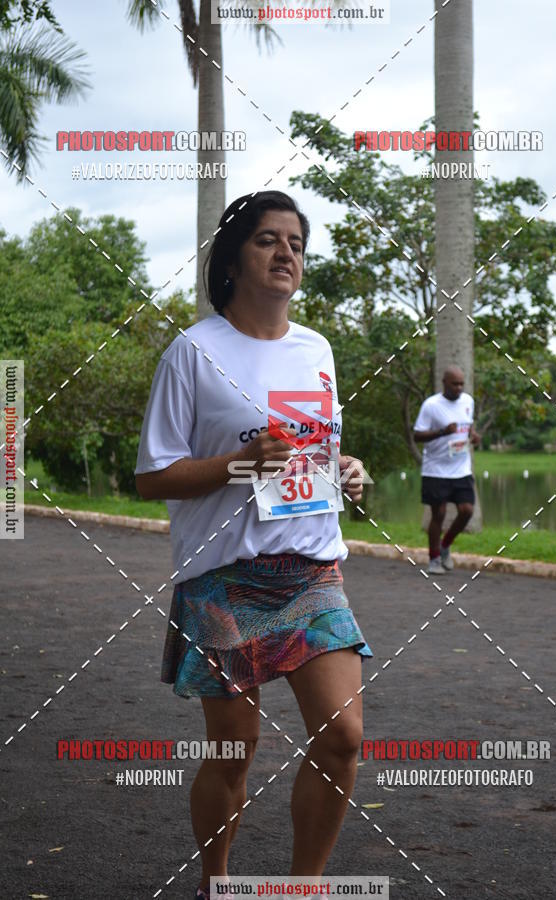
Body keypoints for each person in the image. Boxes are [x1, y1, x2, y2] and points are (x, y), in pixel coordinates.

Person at [134, 191, 372, 899]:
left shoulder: (316, 348)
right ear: (234, 257)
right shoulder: (195, 351)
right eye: (268, 240)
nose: (286, 253)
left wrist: (346, 470)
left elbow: (313, 454)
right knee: (235, 752)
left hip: (310, 566)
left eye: (296, 242)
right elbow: (153, 477)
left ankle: (303, 888)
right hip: (224, 574)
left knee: (343, 738)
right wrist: (242, 465)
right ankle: (218, 882)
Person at [413, 366, 481, 575]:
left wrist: (474, 434)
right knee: (439, 513)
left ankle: (445, 546)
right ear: (444, 382)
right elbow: (417, 435)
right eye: (455, 384)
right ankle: (434, 559)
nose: (459, 388)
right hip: (436, 469)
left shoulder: (468, 401)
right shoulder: (431, 405)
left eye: (462, 383)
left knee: (467, 511)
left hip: (461, 468)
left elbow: (468, 425)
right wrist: (443, 431)